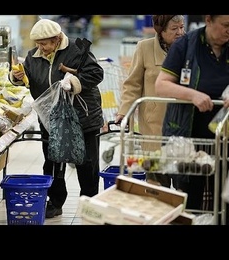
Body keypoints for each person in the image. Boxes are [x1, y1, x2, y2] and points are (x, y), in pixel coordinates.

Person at [10, 18, 104, 218]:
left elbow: (97, 73)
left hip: (82, 117)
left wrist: (75, 81)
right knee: (52, 162)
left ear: (57, 39)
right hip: (51, 119)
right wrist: (15, 77)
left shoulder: (77, 50)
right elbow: (27, 79)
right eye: (37, 43)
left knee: (86, 164)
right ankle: (55, 201)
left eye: (44, 43)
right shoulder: (32, 56)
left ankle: (89, 205)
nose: (40, 48)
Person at [155, 15, 229, 221]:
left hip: (224, 140)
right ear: (209, 20)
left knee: (224, 199)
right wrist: (193, 95)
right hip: (189, 138)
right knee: (190, 200)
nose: (228, 30)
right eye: (225, 25)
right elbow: (161, 85)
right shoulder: (186, 45)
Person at [115, 15, 185, 187]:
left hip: (183, 124)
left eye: (182, 27)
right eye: (174, 29)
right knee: (156, 182)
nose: (180, 32)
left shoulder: (189, 47)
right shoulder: (144, 48)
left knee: (182, 178)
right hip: (154, 125)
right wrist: (124, 112)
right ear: (161, 31)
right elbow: (132, 84)